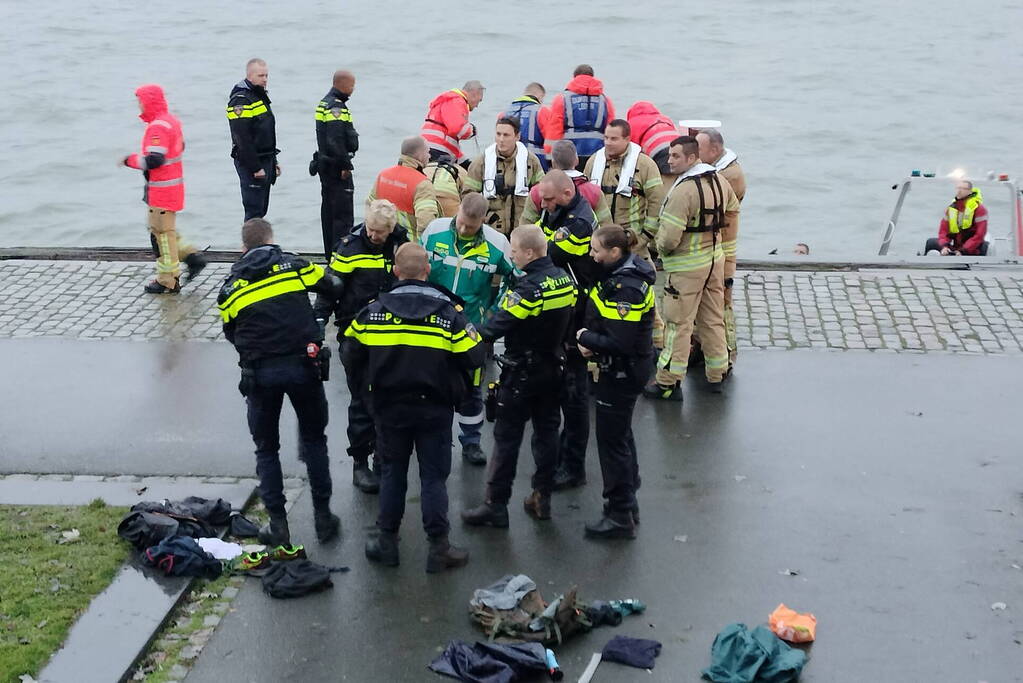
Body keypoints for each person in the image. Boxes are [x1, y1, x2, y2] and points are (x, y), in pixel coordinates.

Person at [345, 243, 484, 573]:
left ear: (395, 271)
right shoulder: (450, 314)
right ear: (427, 272)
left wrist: (368, 390)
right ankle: (439, 548)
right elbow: (475, 356)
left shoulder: (372, 312)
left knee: (392, 473)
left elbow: (350, 354)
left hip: (388, 407)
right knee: (434, 477)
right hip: (434, 408)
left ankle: (387, 543)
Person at [217, 218, 343, 546]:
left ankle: (278, 524)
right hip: (304, 366)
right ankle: (323, 517)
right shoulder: (294, 265)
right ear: (272, 240)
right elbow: (332, 285)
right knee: (315, 440)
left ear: (243, 248)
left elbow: (231, 331)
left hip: (260, 375)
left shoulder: (231, 287)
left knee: (266, 448)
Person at [462, 226, 577, 528]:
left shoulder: (527, 289)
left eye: (513, 250)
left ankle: (495, 505)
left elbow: (494, 327)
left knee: (507, 439)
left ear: (528, 252)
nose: (510, 255)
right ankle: (542, 497)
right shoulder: (564, 280)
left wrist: (465, 331)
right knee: (547, 434)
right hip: (554, 368)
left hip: (522, 373)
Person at [313, 200, 410, 494]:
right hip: (356, 334)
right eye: (371, 229)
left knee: (389, 398)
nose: (374, 236)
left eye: (380, 232)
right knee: (362, 401)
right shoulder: (350, 248)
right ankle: (360, 462)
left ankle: (383, 455)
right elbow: (330, 288)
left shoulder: (399, 243)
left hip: (390, 334)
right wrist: (319, 320)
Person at [420, 193, 515, 465]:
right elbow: (415, 266)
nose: (463, 230)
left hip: (471, 328)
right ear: (458, 211)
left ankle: (471, 441)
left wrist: (496, 312)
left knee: (472, 388)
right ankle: (431, 437)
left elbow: (516, 278)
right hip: (431, 324)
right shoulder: (434, 231)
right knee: (429, 384)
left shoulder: (497, 244)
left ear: (483, 221)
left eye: (471, 227)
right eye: (461, 223)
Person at [576, 225, 656, 539]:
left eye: (596, 250)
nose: (591, 255)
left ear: (614, 252)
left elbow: (621, 340)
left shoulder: (627, 288)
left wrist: (587, 339)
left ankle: (620, 513)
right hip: (625, 368)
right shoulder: (619, 274)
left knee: (612, 443)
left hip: (623, 370)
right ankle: (628, 499)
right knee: (621, 436)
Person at [645, 136, 739, 401]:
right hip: (714, 261)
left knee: (678, 324)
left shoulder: (683, 191)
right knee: (712, 318)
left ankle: (667, 382)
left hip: (686, 268)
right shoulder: (720, 180)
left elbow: (669, 238)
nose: (670, 161)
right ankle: (717, 372)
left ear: (690, 157)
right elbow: (732, 209)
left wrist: (661, 250)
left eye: (675, 156)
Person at [533, 171, 600, 491]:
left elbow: (546, 253)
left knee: (575, 396)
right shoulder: (556, 210)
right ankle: (563, 456)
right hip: (565, 307)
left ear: (566, 192)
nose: (542, 205)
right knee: (565, 388)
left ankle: (573, 467)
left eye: (547, 199)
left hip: (578, 311)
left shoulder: (580, 223)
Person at [122, 84, 206, 294]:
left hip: (161, 190)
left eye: (140, 101)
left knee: (160, 236)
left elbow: (154, 159)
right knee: (166, 230)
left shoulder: (157, 127)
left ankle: (168, 279)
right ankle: (191, 255)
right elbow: (180, 147)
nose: (139, 105)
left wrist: (130, 160)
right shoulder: (171, 121)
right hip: (172, 187)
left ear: (149, 101)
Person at [697, 128, 746, 370]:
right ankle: (708, 350)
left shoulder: (728, 176)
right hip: (717, 248)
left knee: (721, 304)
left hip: (722, 250)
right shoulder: (723, 171)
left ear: (714, 150)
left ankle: (727, 354)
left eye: (699, 149)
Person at [584, 120, 664, 257]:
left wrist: (644, 238)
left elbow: (657, 203)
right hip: (600, 245)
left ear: (627, 139)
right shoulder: (593, 162)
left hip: (634, 244)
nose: (608, 142)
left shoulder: (645, 165)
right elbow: (585, 198)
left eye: (614, 139)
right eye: (606, 138)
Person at [464, 117, 545, 235]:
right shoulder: (481, 163)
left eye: (506, 135)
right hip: (491, 230)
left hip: (522, 230)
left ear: (517, 136)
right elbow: (468, 197)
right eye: (498, 134)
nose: (501, 139)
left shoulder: (531, 162)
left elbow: (541, 194)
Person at [313, 69, 359, 258]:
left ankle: (329, 254)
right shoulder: (336, 107)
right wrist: (345, 165)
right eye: (352, 84)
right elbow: (335, 139)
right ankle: (340, 256)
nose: (353, 88)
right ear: (343, 84)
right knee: (342, 215)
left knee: (329, 213)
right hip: (335, 168)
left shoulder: (325, 102)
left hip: (325, 166)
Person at [226, 58, 279, 221]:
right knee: (253, 211)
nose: (264, 79)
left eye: (266, 76)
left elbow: (266, 132)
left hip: (266, 159)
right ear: (249, 75)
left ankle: (258, 244)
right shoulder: (240, 100)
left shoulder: (259, 96)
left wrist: (273, 161)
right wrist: (255, 168)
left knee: (261, 209)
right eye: (260, 75)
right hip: (251, 162)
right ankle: (250, 245)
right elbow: (242, 139)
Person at [539, 65, 615, 169]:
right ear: (592, 77)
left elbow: (554, 130)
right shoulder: (606, 101)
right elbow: (611, 129)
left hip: (570, 154)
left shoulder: (562, 99)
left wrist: (550, 157)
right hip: (598, 153)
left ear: (574, 78)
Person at [522, 140, 612, 226]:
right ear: (576, 160)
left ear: (553, 163)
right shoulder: (594, 192)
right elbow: (606, 228)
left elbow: (525, 229)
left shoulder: (537, 192)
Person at [366, 136, 439, 239]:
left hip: (383, 242)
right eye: (427, 152)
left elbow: (370, 209)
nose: (429, 156)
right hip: (408, 247)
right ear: (420, 155)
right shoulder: (422, 183)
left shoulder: (383, 175)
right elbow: (426, 222)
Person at [421, 81, 485, 166]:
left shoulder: (448, 100)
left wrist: (464, 162)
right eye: (479, 100)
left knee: (466, 167)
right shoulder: (457, 100)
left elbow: (451, 142)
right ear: (474, 94)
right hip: (437, 149)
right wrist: (471, 130)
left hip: (430, 148)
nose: (477, 105)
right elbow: (456, 128)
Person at [924, 180, 989, 256]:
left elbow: (979, 235)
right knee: (931, 242)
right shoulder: (951, 209)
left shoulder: (979, 209)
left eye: (964, 188)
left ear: (970, 192)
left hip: (972, 248)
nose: (960, 190)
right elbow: (943, 232)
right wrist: (945, 247)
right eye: (958, 188)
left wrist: (963, 250)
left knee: (983, 245)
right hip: (956, 247)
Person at [500, 83, 548, 170]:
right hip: (537, 163)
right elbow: (550, 139)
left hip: (510, 164)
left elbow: (499, 141)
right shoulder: (542, 111)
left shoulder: (504, 113)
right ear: (540, 97)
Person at [626, 100, 679, 177]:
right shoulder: (665, 118)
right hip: (679, 149)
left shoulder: (631, 123)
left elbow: (631, 150)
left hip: (659, 153)